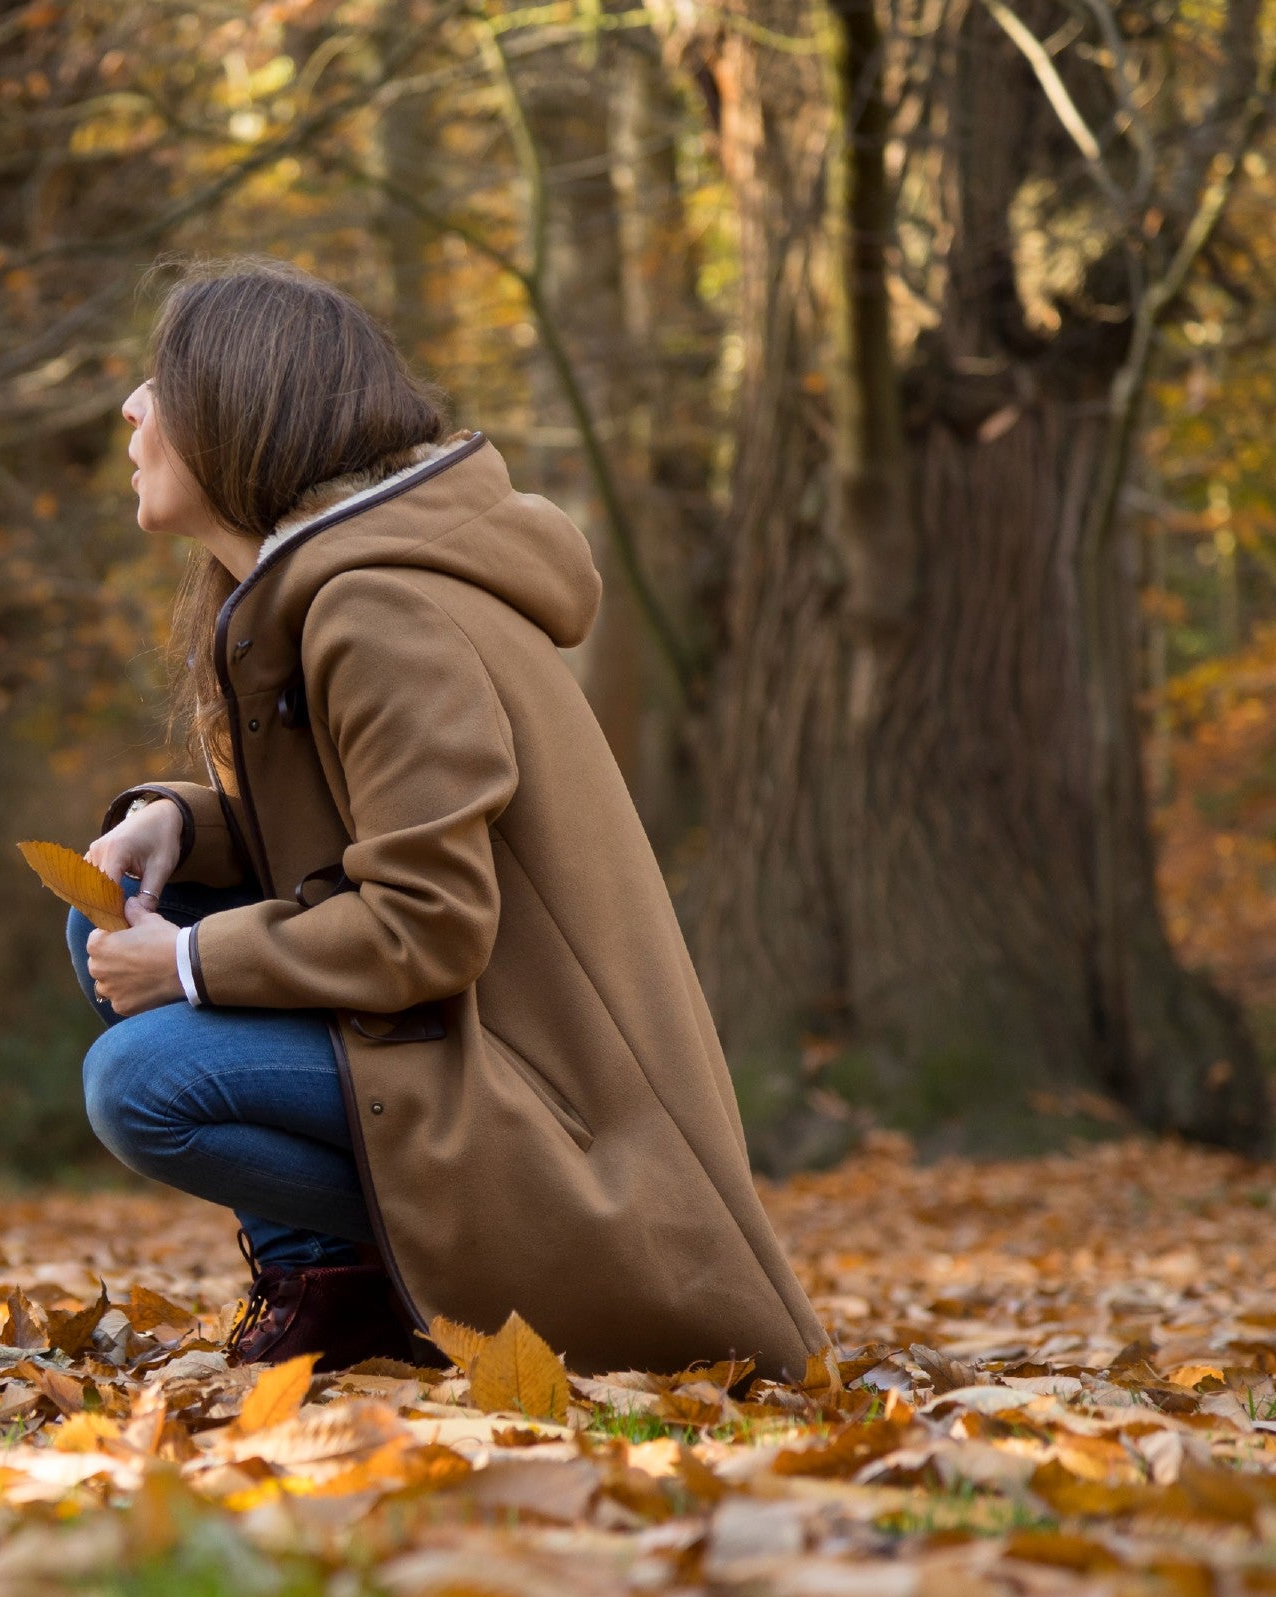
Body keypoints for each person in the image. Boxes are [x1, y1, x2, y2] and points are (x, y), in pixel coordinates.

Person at [72, 260, 825, 1379]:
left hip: (545, 1118)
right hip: (453, 1049)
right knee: (114, 903)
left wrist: (187, 960)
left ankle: (388, 1284)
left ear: (240, 410)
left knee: (142, 1081)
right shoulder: (334, 588)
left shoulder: (375, 610)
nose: (132, 408)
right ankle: (333, 1294)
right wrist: (179, 823)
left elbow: (426, 925)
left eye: (158, 383)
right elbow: (359, 843)